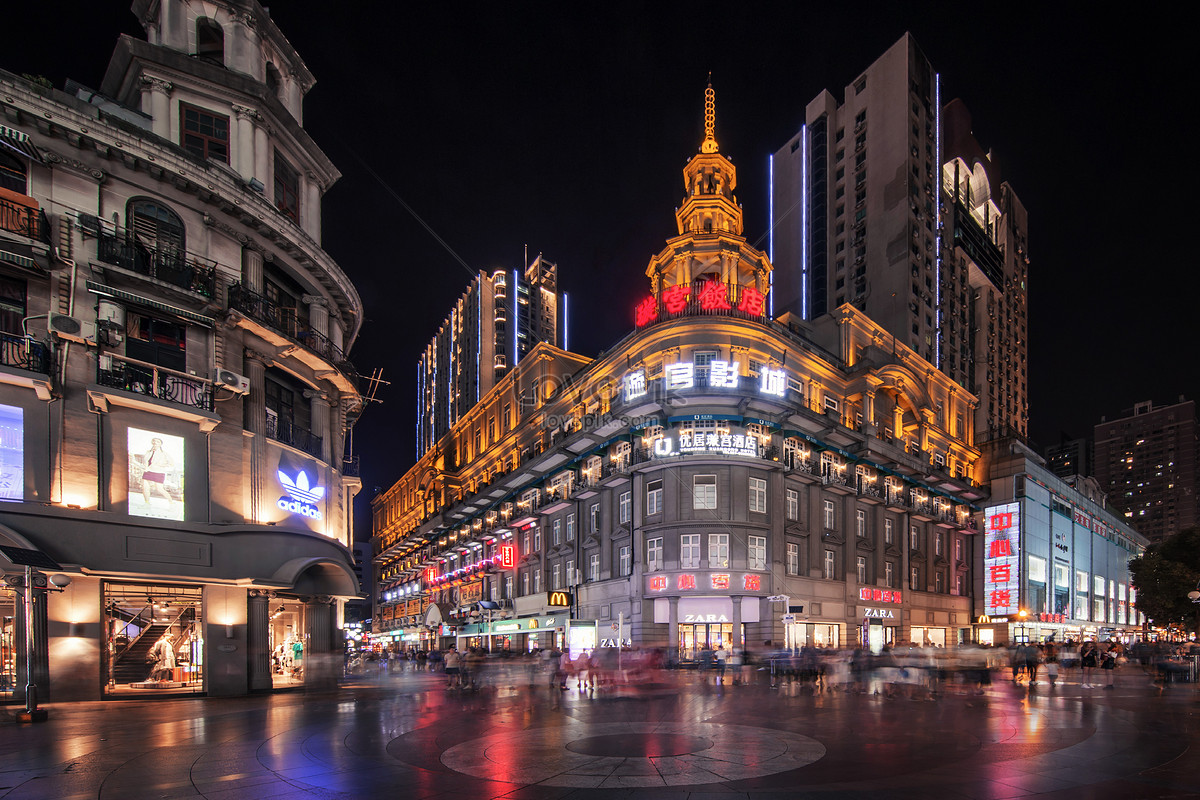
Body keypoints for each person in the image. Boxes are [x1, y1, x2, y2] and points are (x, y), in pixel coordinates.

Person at [137, 438, 177, 507]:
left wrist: (161, 465)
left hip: (159, 472)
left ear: (160, 444)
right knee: (145, 487)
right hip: (148, 471)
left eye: (158, 441)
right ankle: (147, 503)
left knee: (159, 489)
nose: (155, 442)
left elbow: (172, 463)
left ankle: (171, 502)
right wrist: (145, 467)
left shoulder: (164, 453)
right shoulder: (148, 452)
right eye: (154, 441)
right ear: (152, 443)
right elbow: (145, 462)